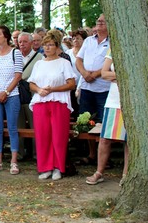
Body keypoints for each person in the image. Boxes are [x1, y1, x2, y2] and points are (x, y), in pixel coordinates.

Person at [28, 31, 76, 181]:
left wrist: (52, 89)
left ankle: (58, 167)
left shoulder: (64, 63)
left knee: (58, 136)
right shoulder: (39, 64)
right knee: (43, 136)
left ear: (56, 46)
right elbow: (31, 83)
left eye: (50, 45)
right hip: (41, 102)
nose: (47, 48)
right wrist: (39, 90)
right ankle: (45, 167)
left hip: (59, 102)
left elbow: (71, 84)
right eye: (45, 45)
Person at [86, 49, 129, 186]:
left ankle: (126, 174)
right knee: (105, 138)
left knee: (129, 140)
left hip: (133, 101)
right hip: (114, 100)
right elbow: (104, 73)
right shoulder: (113, 48)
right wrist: (125, 75)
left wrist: (115, 76)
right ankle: (99, 172)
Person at [0, 25, 24, 175]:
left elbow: (18, 75)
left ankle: (14, 161)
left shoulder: (16, 53)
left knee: (13, 128)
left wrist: (6, 92)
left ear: (6, 36)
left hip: (12, 94)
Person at [75, 14, 110, 165]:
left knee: (103, 123)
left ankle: (105, 158)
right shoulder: (89, 40)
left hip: (104, 88)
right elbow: (79, 59)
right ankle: (91, 154)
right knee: (87, 121)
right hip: (87, 87)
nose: (100, 22)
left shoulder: (113, 42)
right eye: (98, 21)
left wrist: (95, 74)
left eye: (103, 20)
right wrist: (83, 73)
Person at [17, 32, 44, 160]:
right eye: (20, 42)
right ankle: (19, 153)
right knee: (18, 125)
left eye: (25, 42)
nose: (22, 44)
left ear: (32, 43)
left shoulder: (40, 58)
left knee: (35, 126)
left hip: (33, 96)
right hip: (16, 95)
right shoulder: (15, 56)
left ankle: (36, 154)